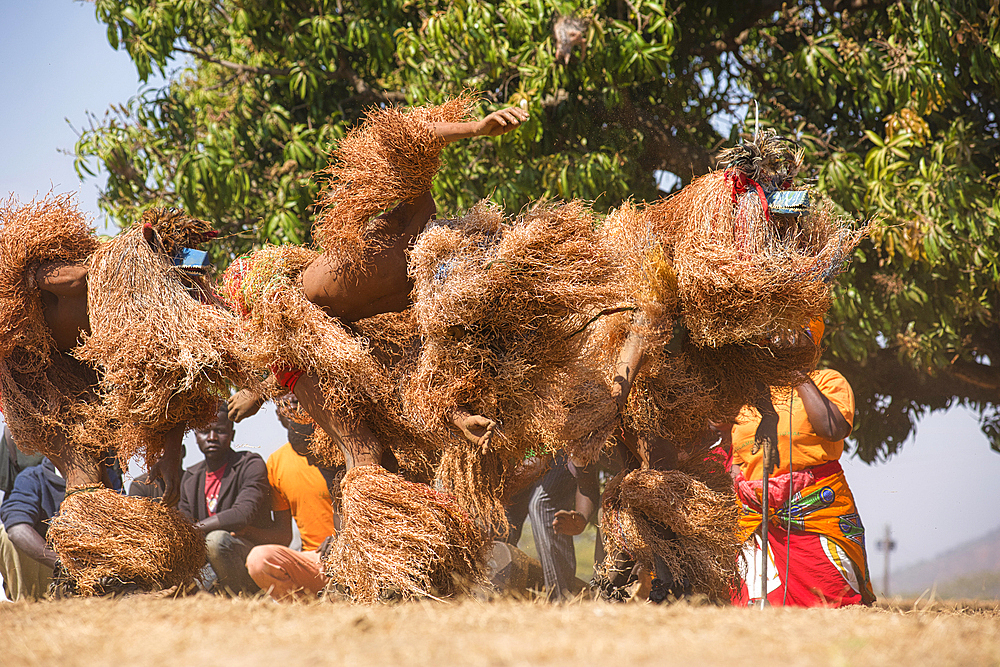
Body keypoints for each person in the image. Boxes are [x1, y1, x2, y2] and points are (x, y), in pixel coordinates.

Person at [729, 319, 876, 607]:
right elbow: (737, 460)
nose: (780, 340)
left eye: (794, 335)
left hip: (815, 514)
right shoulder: (747, 397)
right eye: (773, 334)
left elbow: (833, 429)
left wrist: (795, 373)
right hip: (755, 521)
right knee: (753, 609)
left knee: (832, 602)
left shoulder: (827, 381)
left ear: (812, 344)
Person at [244, 397, 341, 600]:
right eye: (284, 403)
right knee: (259, 560)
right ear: (277, 413)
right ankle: (304, 610)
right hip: (316, 561)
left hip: (353, 556)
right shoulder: (276, 462)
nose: (293, 407)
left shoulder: (343, 454)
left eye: (298, 399)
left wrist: (343, 541)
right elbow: (283, 534)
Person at [178, 403, 271, 595]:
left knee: (216, 540)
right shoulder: (191, 477)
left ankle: (243, 596)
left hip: (246, 555)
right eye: (204, 431)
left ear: (232, 434)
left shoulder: (250, 464)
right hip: (205, 557)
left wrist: (195, 530)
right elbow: (184, 520)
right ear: (195, 436)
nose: (212, 438)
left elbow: (242, 514)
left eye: (219, 431)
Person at [504, 455, 599, 600]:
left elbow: (587, 480)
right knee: (501, 509)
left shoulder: (577, 447)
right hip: (521, 459)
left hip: (557, 451)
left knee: (541, 503)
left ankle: (561, 598)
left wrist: (582, 516)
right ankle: (496, 591)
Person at [0, 458, 64, 600]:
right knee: (6, 534)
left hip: (90, 575)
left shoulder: (105, 478)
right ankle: (27, 601)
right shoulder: (32, 478)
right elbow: (17, 527)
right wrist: (63, 564)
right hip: (47, 571)